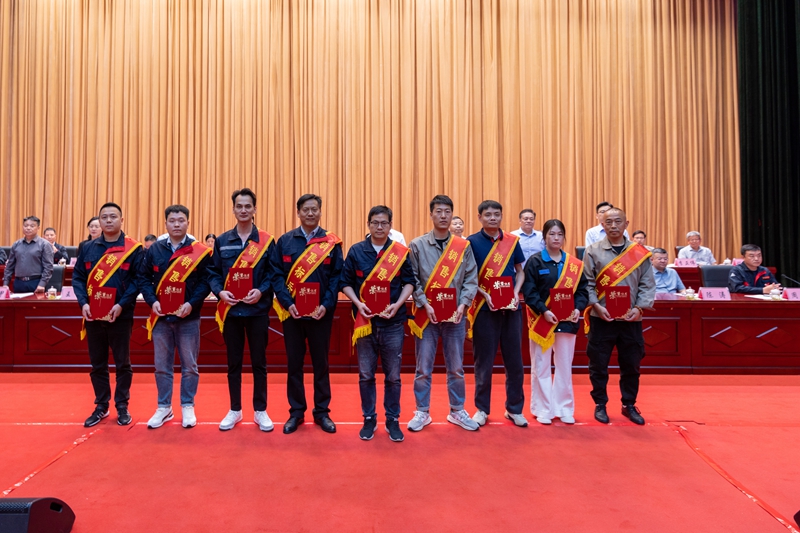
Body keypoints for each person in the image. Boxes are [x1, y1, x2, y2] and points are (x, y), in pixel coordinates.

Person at [340, 206, 415, 442]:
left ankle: (392, 419)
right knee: (366, 375)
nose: (379, 227)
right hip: (365, 322)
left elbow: (410, 282)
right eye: (375, 223)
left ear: (390, 226)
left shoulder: (400, 252)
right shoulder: (356, 251)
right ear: (368, 225)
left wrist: (398, 304)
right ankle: (369, 418)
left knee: (393, 376)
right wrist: (357, 303)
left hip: (393, 322)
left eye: (384, 223)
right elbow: (345, 282)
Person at [271, 194, 343, 435]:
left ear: (320, 212)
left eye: (314, 209)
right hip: (292, 314)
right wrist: (287, 302)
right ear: (298, 212)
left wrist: (326, 304)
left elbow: (337, 277)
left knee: (321, 364)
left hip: (321, 314)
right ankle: (296, 412)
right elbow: (276, 275)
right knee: (294, 364)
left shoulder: (331, 243)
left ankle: (322, 412)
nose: (310, 213)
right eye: (306, 209)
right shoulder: (285, 241)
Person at [407, 195, 479, 432]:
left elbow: (471, 278)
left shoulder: (462, 247)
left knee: (456, 368)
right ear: (431, 214)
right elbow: (412, 278)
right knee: (423, 369)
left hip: (455, 317)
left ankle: (457, 411)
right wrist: (423, 303)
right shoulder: (417, 245)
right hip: (426, 316)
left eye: (447, 211)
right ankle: (422, 411)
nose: (443, 215)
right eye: (438, 211)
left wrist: (463, 305)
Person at [207, 188, 276, 432]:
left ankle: (260, 410)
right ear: (233, 209)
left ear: (255, 209)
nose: (243, 210)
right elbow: (213, 272)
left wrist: (261, 290)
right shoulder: (222, 241)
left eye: (248, 206)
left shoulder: (266, 241)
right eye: (239, 206)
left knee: (259, 363)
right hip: (232, 312)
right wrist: (220, 292)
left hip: (257, 311)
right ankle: (235, 409)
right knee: (233, 363)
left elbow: (273, 273)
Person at [139, 205, 212, 429]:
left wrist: (191, 304)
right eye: (172, 220)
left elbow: (205, 282)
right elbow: (144, 278)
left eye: (181, 220)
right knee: (162, 366)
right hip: (161, 317)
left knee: (190, 365)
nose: (177, 224)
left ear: (188, 222)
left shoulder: (199, 251)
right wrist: (153, 301)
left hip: (188, 317)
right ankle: (164, 407)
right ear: (166, 224)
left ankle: (188, 405)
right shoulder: (155, 249)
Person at [72, 203, 143, 427]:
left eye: (113, 216)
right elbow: (78, 278)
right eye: (104, 217)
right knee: (98, 364)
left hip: (120, 315)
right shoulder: (87, 247)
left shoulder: (134, 249)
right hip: (93, 315)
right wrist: (83, 303)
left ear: (122, 220)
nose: (109, 220)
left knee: (123, 363)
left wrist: (121, 304)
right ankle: (101, 405)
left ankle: (122, 405)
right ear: (99, 221)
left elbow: (137, 281)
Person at [584, 208, 655, 426]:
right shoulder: (592, 251)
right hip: (601, 318)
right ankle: (600, 404)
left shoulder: (640, 253)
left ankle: (629, 404)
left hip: (631, 319)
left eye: (618, 221)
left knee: (631, 364)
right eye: (609, 222)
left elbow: (647, 284)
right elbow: (587, 283)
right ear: (602, 225)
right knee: (598, 364)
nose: (613, 226)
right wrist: (596, 306)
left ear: (626, 224)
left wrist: (639, 309)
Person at [466, 201, 528, 428]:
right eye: (488, 214)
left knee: (515, 361)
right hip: (485, 309)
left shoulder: (512, 241)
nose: (492, 218)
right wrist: (485, 295)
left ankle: (514, 409)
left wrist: (515, 292)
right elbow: (468, 276)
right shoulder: (471, 242)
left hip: (511, 308)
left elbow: (520, 272)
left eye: (496, 214)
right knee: (483, 362)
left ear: (502, 216)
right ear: (479, 217)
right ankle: (482, 409)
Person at [522, 220, 589, 425]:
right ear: (544, 237)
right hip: (542, 321)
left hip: (567, 322)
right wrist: (544, 310)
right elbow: (530, 292)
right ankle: (543, 409)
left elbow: (582, 291)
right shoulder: (535, 261)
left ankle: (564, 408)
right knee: (541, 366)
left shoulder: (574, 264)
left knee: (564, 366)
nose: (556, 238)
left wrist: (578, 308)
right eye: (552, 234)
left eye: (560, 234)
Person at [3, 216, 53, 293]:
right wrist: (5, 284)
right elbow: (10, 265)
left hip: (36, 282)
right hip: (18, 283)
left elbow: (48, 267)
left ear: (38, 228)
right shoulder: (16, 244)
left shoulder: (45, 244)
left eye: (32, 226)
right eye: (26, 226)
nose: (28, 228)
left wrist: (42, 284)